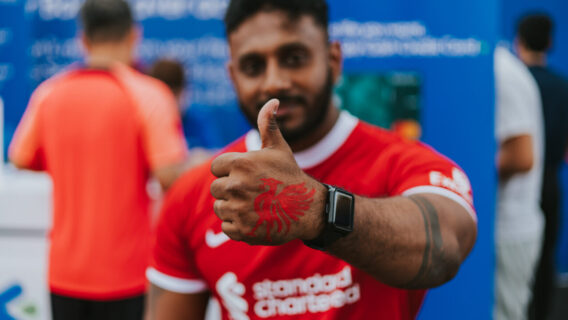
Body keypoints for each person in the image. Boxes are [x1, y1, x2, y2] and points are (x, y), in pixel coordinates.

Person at [146, 1, 478, 319]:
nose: (274, 81)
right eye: (252, 66)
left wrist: (317, 210)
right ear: (232, 77)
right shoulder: (195, 193)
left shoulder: (406, 163)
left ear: (333, 61)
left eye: (294, 58)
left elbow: (442, 248)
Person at [8, 0, 189, 319]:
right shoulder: (150, 95)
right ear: (134, 35)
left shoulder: (49, 94)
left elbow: (20, 157)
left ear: (83, 39)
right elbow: (169, 175)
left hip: (64, 273)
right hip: (128, 274)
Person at [516, 13, 568, 320]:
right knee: (546, 259)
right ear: (549, 42)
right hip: (549, 183)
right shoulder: (562, 87)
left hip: (514, 187)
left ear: (517, 41)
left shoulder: (511, 84)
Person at [493, 46, 544, 320]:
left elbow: (521, 156)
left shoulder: (501, 72)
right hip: (506, 226)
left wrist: (464, 174)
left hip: (508, 227)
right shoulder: (502, 67)